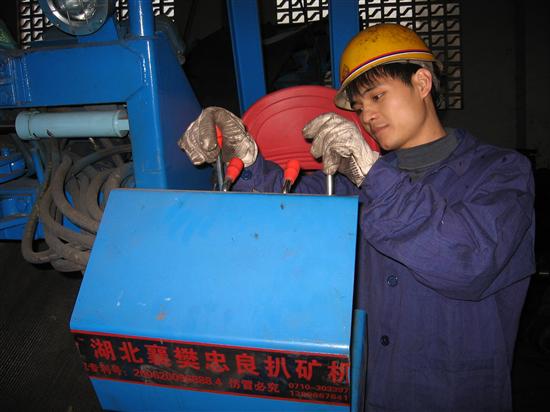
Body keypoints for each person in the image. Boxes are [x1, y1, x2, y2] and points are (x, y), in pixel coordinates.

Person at [179, 23, 535, 412]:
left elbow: (468, 262)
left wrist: (373, 174)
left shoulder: (501, 172)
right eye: (361, 107)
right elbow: (293, 206)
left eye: (378, 96)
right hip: (368, 393)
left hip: (454, 398)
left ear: (421, 83)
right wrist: (246, 159)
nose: (368, 116)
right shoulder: (356, 182)